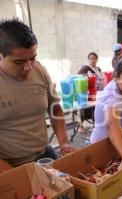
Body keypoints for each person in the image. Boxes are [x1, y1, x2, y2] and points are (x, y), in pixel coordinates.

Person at [0, 19, 75, 172]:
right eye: (19, 62)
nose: (28, 67)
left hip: (44, 154)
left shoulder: (40, 70)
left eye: (32, 58)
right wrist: (12, 176)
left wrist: (64, 142)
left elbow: (55, 109)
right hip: (9, 164)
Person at [77, 52, 105, 133]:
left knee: (96, 108)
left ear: (97, 60)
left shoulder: (99, 69)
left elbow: (102, 79)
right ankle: (80, 126)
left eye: (94, 58)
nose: (93, 60)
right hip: (87, 93)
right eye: (91, 58)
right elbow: (78, 77)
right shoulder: (85, 68)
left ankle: (95, 125)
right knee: (82, 109)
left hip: (97, 93)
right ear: (88, 60)